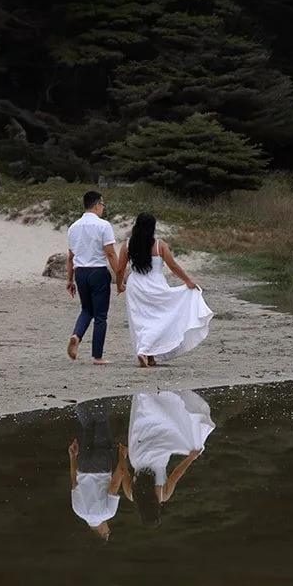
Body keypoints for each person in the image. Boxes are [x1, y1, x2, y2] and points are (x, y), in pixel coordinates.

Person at [115, 212, 213, 368]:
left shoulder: (128, 245)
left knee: (141, 320)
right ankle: (146, 352)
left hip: (136, 286)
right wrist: (187, 281)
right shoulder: (160, 245)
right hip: (156, 285)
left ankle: (147, 354)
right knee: (159, 319)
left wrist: (119, 285)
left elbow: (120, 269)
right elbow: (172, 265)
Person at [124, 390, 215, 526]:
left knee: (165, 428)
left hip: (158, 456)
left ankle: (159, 399)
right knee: (143, 426)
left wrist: (190, 458)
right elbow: (123, 472)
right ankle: (144, 397)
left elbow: (176, 474)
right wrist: (122, 456)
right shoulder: (131, 494)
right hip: (137, 456)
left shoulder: (163, 495)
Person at [66, 190, 121, 365]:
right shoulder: (103, 225)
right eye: (102, 205)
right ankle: (97, 356)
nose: (103, 208)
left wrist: (70, 280)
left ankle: (76, 335)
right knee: (100, 315)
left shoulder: (73, 227)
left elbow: (70, 256)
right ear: (97, 205)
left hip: (80, 272)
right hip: (97, 272)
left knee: (86, 309)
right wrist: (120, 276)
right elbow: (110, 253)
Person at [69, 397, 128, 539]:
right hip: (83, 465)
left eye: (108, 532)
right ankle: (77, 398)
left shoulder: (108, 513)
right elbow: (74, 482)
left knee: (101, 423)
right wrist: (73, 457)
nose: (109, 529)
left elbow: (114, 486)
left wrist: (122, 458)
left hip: (101, 466)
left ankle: (98, 396)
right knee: (88, 427)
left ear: (103, 533)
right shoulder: (78, 510)